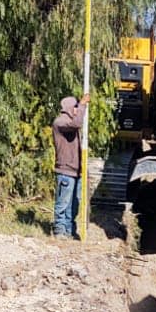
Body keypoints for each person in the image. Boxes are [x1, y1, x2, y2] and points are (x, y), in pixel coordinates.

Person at [52, 92, 89, 239]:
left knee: (74, 204)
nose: (76, 110)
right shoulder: (60, 122)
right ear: (68, 107)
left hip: (76, 171)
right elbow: (77, 123)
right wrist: (83, 105)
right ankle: (60, 230)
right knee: (64, 202)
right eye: (75, 107)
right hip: (66, 170)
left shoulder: (70, 124)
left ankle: (69, 231)